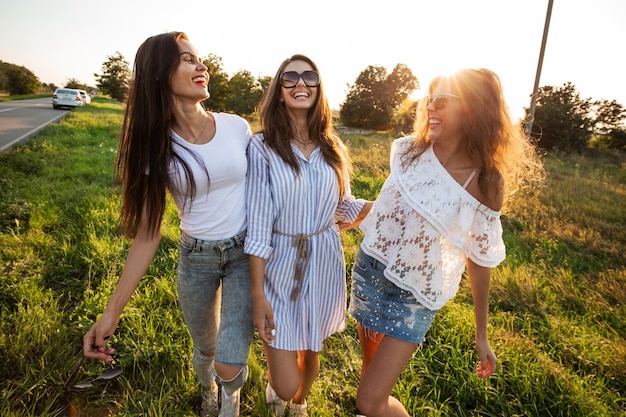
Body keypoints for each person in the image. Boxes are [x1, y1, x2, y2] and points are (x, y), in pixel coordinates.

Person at [348, 68, 544, 417]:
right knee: (370, 380)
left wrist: (481, 334)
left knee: (370, 399)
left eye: (442, 101)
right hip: (371, 276)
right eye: (429, 99)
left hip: (414, 297)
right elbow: (397, 209)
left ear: (471, 108)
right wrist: (352, 212)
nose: (430, 108)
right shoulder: (410, 152)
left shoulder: (485, 180)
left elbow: (480, 258)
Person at [82, 31, 254, 417]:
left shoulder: (236, 127)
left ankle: (230, 400)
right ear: (159, 73)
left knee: (230, 358)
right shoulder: (155, 147)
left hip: (244, 253)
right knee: (206, 348)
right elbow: (147, 235)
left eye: (199, 57)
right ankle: (208, 387)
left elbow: (269, 188)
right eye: (187, 59)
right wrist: (111, 313)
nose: (201, 65)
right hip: (197, 259)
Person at [244, 54, 372, 417]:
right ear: (279, 90)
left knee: (312, 354)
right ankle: (282, 389)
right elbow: (256, 225)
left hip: (323, 260)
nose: (301, 83)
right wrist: (258, 294)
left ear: (318, 88)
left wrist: (388, 201)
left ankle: (300, 403)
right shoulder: (262, 147)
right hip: (280, 263)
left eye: (309, 76)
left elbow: (343, 207)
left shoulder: (331, 147)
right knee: (284, 381)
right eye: (291, 78)